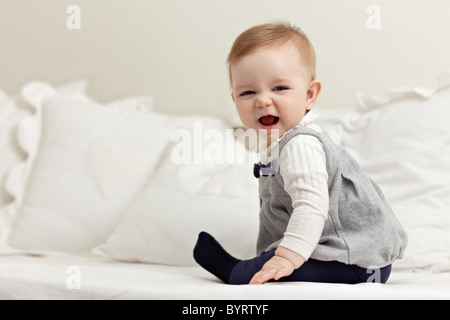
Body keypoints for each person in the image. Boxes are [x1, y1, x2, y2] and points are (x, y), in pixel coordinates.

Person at [193, 22, 408, 285]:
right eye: (248, 92)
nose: (262, 100)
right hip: (352, 261)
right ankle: (260, 262)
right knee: (272, 259)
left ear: (309, 95)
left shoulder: (300, 145)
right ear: (235, 99)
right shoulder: (277, 145)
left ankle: (236, 272)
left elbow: (311, 206)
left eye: (279, 88)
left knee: (268, 266)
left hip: (354, 263)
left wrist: (285, 258)